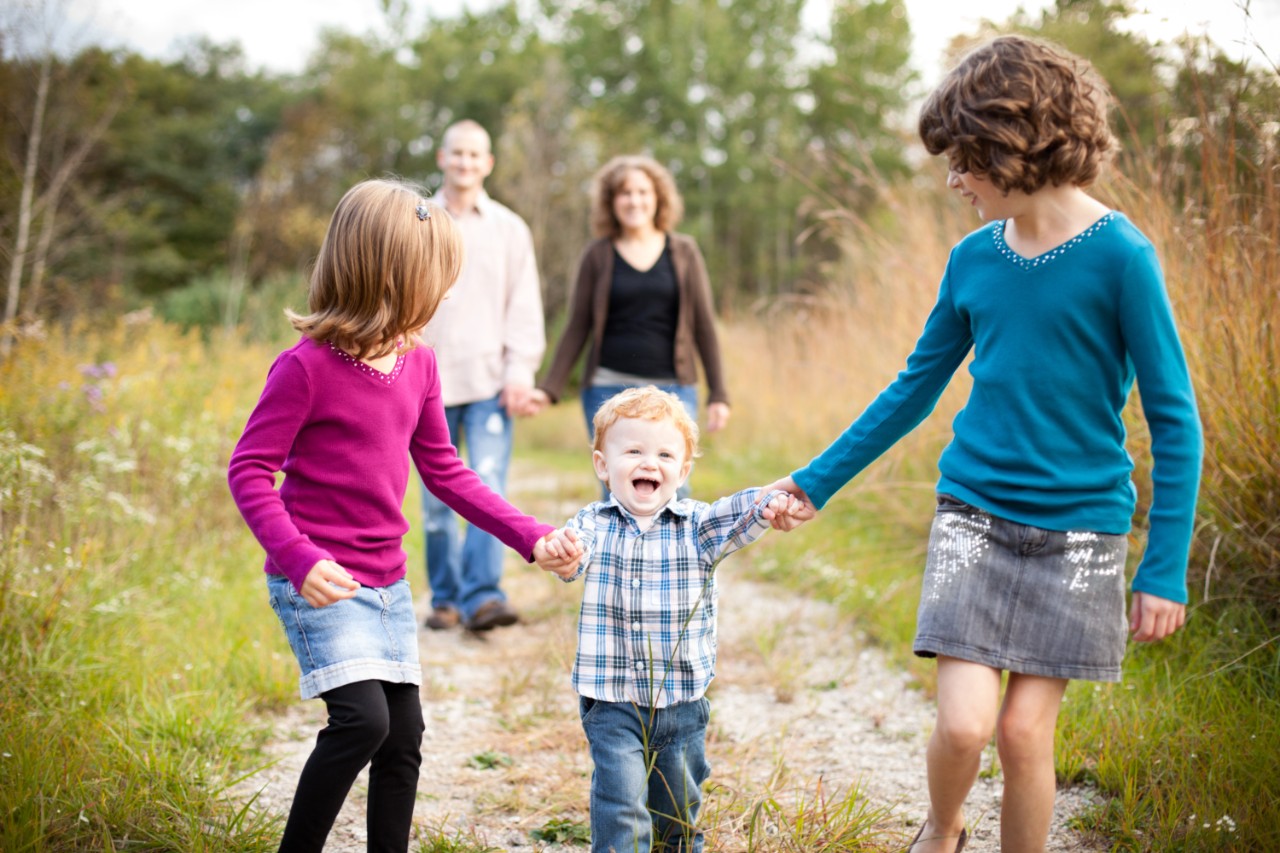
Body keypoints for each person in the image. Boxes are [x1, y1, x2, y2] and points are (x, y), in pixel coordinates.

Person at [767, 36, 1202, 853]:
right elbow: (913, 387)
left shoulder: (1123, 258)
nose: (953, 180)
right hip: (974, 517)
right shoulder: (973, 259)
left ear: (1013, 147)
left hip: (1081, 535)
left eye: (964, 161)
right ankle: (942, 831)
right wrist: (815, 481)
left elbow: (1175, 418)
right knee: (965, 727)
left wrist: (1165, 565)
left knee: (1024, 735)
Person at [227, 178, 580, 853]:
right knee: (361, 722)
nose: (446, 295)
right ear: (386, 277)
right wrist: (299, 558)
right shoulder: (305, 369)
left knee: (404, 734)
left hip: (385, 583)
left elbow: (446, 471)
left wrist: (530, 536)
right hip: (322, 580)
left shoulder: (419, 364)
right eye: (435, 280)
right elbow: (248, 469)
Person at [538, 386, 808, 852]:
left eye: (665, 454)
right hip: (611, 699)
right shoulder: (593, 522)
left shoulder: (698, 527)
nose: (649, 463)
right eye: (634, 451)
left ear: (682, 471)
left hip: (682, 703)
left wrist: (770, 503)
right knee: (621, 806)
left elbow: (736, 514)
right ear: (603, 465)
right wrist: (560, 555)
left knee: (677, 815)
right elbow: (571, 554)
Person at [529, 155, 730, 497]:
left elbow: (703, 326)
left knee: (673, 490)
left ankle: (672, 553)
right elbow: (577, 326)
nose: (634, 200)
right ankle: (617, 553)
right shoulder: (598, 255)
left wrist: (719, 394)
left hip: (674, 389)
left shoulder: (684, 252)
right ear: (611, 202)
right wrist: (549, 388)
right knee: (617, 489)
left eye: (642, 192)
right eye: (624, 193)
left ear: (658, 198)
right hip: (608, 389)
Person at [417, 119, 547, 633]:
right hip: (427, 382)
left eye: (476, 155)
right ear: (442, 157)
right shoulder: (418, 219)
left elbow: (524, 306)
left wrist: (520, 371)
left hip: (491, 383)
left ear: (488, 163)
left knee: (488, 487)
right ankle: (445, 600)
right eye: (458, 154)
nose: (466, 163)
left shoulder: (510, 229)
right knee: (435, 500)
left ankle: (483, 598)